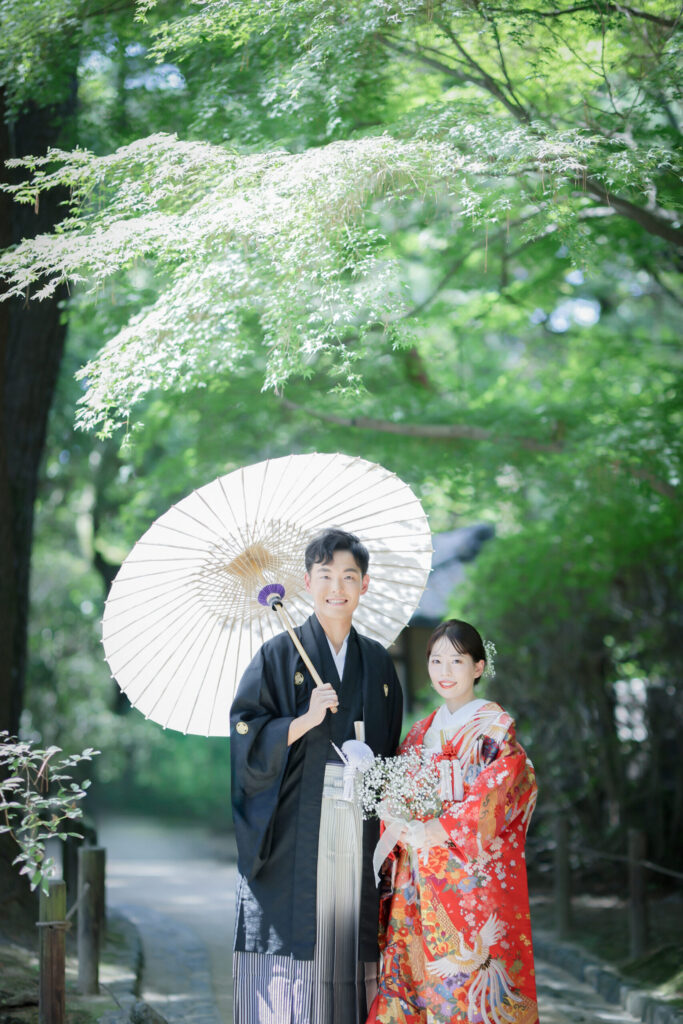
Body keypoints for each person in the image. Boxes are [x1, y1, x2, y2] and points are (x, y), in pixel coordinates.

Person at [230, 528, 403, 1024]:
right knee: (297, 933)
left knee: (348, 935)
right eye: (325, 575)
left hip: (359, 820)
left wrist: (372, 770)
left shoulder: (377, 661)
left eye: (348, 576)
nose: (336, 587)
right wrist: (304, 720)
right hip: (294, 823)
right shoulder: (277, 655)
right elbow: (246, 733)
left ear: (364, 584)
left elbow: (390, 746)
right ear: (306, 582)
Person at [367, 619, 538, 1024]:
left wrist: (439, 828)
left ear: (478, 667)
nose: (444, 671)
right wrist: (396, 816)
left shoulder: (495, 727)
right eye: (436, 660)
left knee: (467, 980)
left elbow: (501, 790)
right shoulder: (421, 731)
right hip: (418, 877)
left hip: (468, 879)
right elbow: (397, 790)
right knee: (412, 977)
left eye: (457, 661)